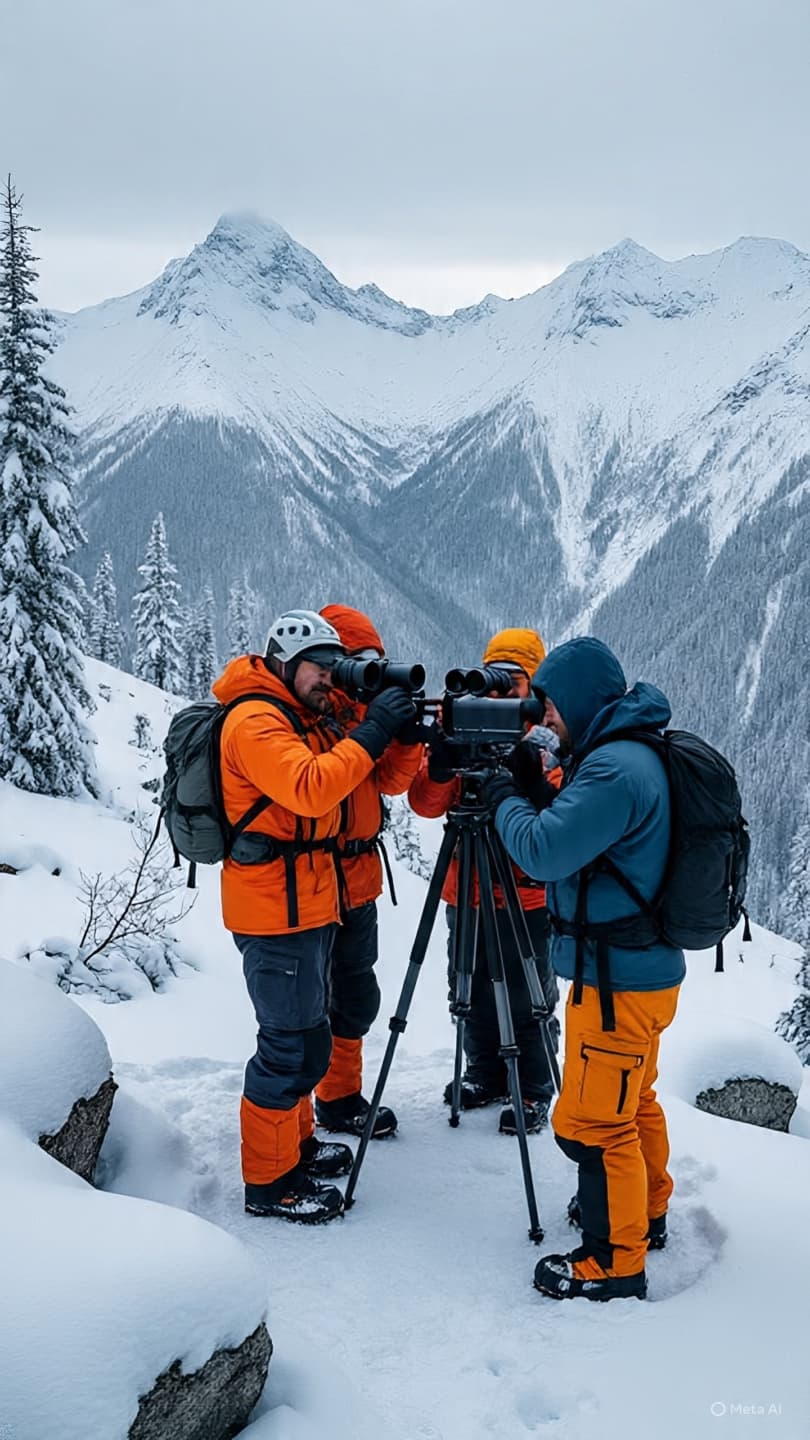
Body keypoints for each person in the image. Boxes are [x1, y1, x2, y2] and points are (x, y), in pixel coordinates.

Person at [482, 636, 685, 1301]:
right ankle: (645, 1211)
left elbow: (542, 851)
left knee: (591, 1124)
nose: (545, 720)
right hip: (644, 974)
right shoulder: (630, 751)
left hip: (615, 982)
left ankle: (613, 1260)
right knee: (635, 1099)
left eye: (552, 706)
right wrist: (536, 783)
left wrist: (502, 795)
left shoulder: (613, 770)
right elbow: (581, 828)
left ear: (580, 701)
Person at [212, 609, 416, 1224]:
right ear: (284, 663)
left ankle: (294, 1149)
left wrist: (391, 726)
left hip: (308, 903)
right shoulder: (254, 721)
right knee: (287, 1047)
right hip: (274, 908)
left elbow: (373, 781)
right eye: (319, 669)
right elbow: (310, 787)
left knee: (309, 1035)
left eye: (334, 668)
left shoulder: (304, 716)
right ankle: (270, 1184)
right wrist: (372, 729)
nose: (330, 679)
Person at [408, 628, 560, 1136]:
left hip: (525, 897)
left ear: (534, 691)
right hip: (467, 890)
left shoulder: (548, 745)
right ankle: (484, 1074)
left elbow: (557, 818)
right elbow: (425, 806)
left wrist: (526, 777)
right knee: (466, 985)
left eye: (512, 683)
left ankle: (534, 1088)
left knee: (526, 993)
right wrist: (443, 764)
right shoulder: (466, 736)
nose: (498, 695)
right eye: (491, 683)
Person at [313, 604, 423, 1140]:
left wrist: (401, 736)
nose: (367, 673)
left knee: (355, 995)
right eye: (358, 663)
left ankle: (339, 1098)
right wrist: (372, 728)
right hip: (310, 877)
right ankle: (301, 1116)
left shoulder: (361, 715)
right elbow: (320, 783)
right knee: (308, 1005)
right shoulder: (308, 714)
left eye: (375, 662)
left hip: (358, 876)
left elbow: (392, 785)